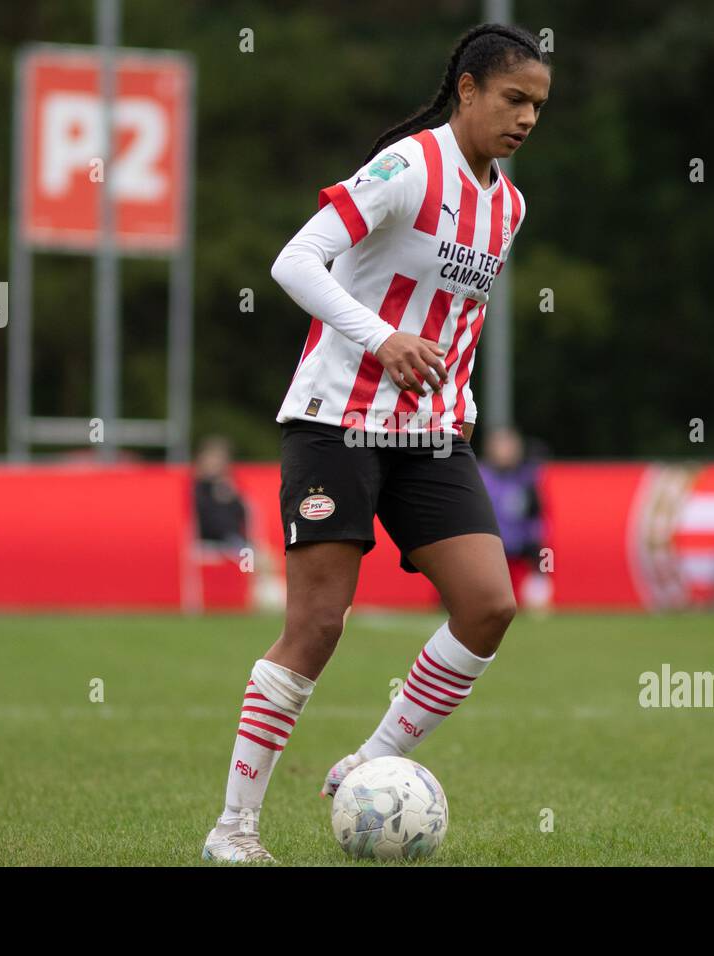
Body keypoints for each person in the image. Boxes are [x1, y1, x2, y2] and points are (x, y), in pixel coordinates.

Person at [202, 22, 551, 862]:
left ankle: (375, 760)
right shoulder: (407, 168)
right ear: (467, 90)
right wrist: (382, 339)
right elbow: (296, 262)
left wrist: (457, 398)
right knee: (319, 623)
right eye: (513, 99)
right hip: (336, 419)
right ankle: (233, 830)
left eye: (539, 106)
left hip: (430, 433)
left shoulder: (508, 203)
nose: (527, 118)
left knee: (488, 604)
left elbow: (460, 323)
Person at [480, 426, 550, 610]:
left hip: (520, 541)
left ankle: (540, 594)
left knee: (546, 554)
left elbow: (538, 513)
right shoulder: (480, 476)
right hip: (488, 541)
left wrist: (537, 536)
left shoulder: (528, 478)